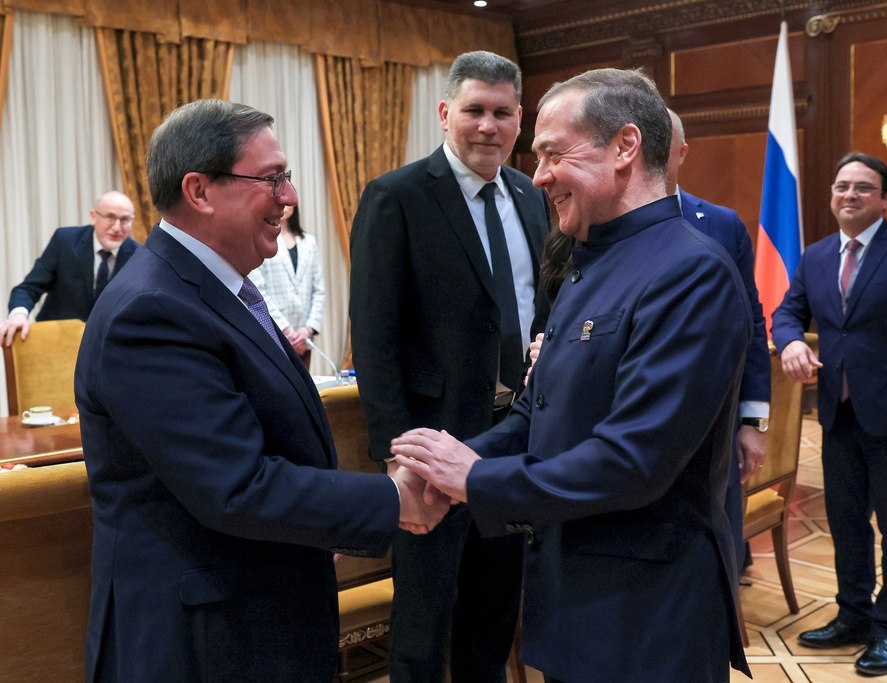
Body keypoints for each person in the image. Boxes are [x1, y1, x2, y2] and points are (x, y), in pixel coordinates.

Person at [393, 68, 751, 683]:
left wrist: (477, 481)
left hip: (645, 617)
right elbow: (537, 413)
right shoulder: (589, 261)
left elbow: (633, 460)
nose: (538, 176)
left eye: (554, 154)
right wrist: (445, 471)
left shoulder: (691, 272)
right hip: (574, 601)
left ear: (625, 147)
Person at [74, 99, 448, 683]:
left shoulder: (214, 289)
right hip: (203, 642)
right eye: (271, 179)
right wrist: (392, 500)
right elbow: (235, 485)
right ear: (199, 191)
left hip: (254, 620)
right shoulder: (152, 311)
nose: (290, 197)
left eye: (287, 177)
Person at [349, 51, 550, 683]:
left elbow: (540, 303)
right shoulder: (396, 196)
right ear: (445, 114)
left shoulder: (531, 194)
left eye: (501, 113)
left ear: (520, 120)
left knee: (493, 609)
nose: (487, 126)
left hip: (513, 441)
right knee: (424, 618)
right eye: (473, 111)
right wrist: (394, 453)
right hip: (434, 442)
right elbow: (374, 336)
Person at [772, 152, 887, 676]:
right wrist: (788, 343)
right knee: (846, 523)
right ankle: (853, 615)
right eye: (841, 186)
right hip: (838, 413)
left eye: (863, 188)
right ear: (831, 195)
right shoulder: (815, 256)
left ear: (885, 198)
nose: (849, 195)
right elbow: (788, 312)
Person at [666, 108, 771, 575]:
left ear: (682, 153)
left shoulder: (723, 224)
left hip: (717, 422)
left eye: (661, 142)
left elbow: (750, 321)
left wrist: (754, 420)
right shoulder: (595, 218)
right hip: (637, 424)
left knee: (718, 550)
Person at [1, 191, 138, 345]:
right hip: (56, 341)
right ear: (93, 216)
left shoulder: (138, 255)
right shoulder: (65, 242)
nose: (117, 227)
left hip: (106, 348)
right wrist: (18, 314)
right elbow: (28, 288)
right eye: (111, 218)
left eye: (125, 220)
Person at [248, 200, 326, 369]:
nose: (286, 204)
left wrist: (308, 329)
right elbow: (258, 290)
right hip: (275, 334)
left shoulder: (309, 242)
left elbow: (319, 290)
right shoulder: (262, 240)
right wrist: (287, 331)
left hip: (304, 339)